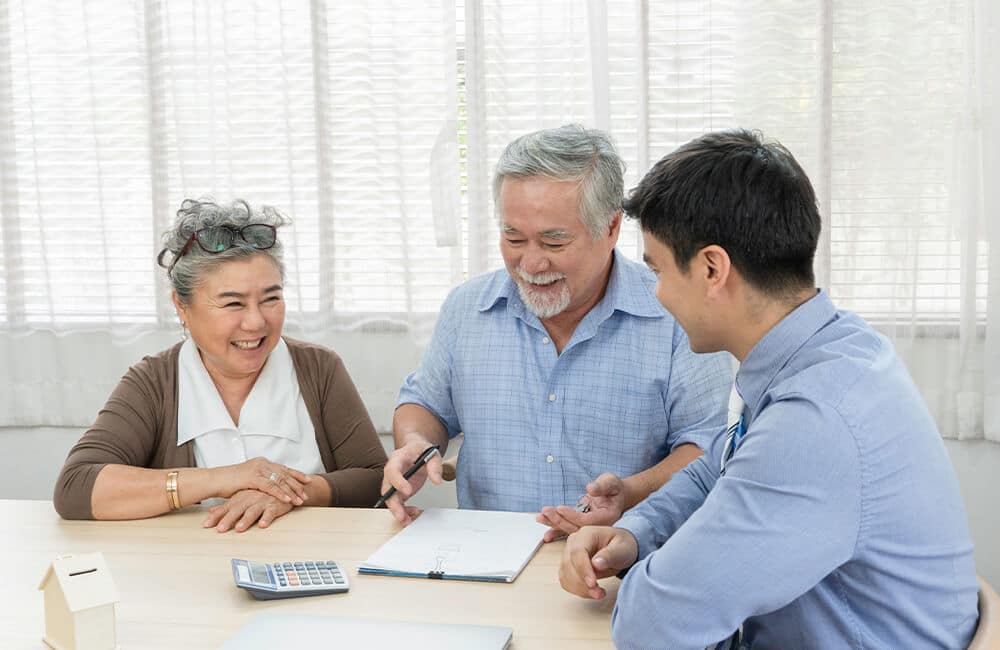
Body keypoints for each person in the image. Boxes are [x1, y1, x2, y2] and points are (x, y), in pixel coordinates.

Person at [559, 130, 979, 648]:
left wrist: (659, 566)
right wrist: (636, 532)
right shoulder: (831, 346)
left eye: (658, 271)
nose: (658, 294)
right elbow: (718, 468)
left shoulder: (814, 421)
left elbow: (653, 622)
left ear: (712, 268)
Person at [381, 125, 732, 536]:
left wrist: (631, 493)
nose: (530, 264)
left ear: (612, 229)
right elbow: (424, 405)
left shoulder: (673, 313)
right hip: (486, 558)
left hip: (622, 559)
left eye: (553, 242)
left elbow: (706, 450)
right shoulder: (467, 307)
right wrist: (415, 444)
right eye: (513, 238)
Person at [54, 198, 387, 532]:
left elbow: (376, 480)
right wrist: (224, 478)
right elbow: (76, 488)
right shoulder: (153, 382)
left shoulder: (319, 369)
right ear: (181, 306)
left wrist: (292, 493)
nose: (256, 322)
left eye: (271, 298)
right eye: (233, 303)